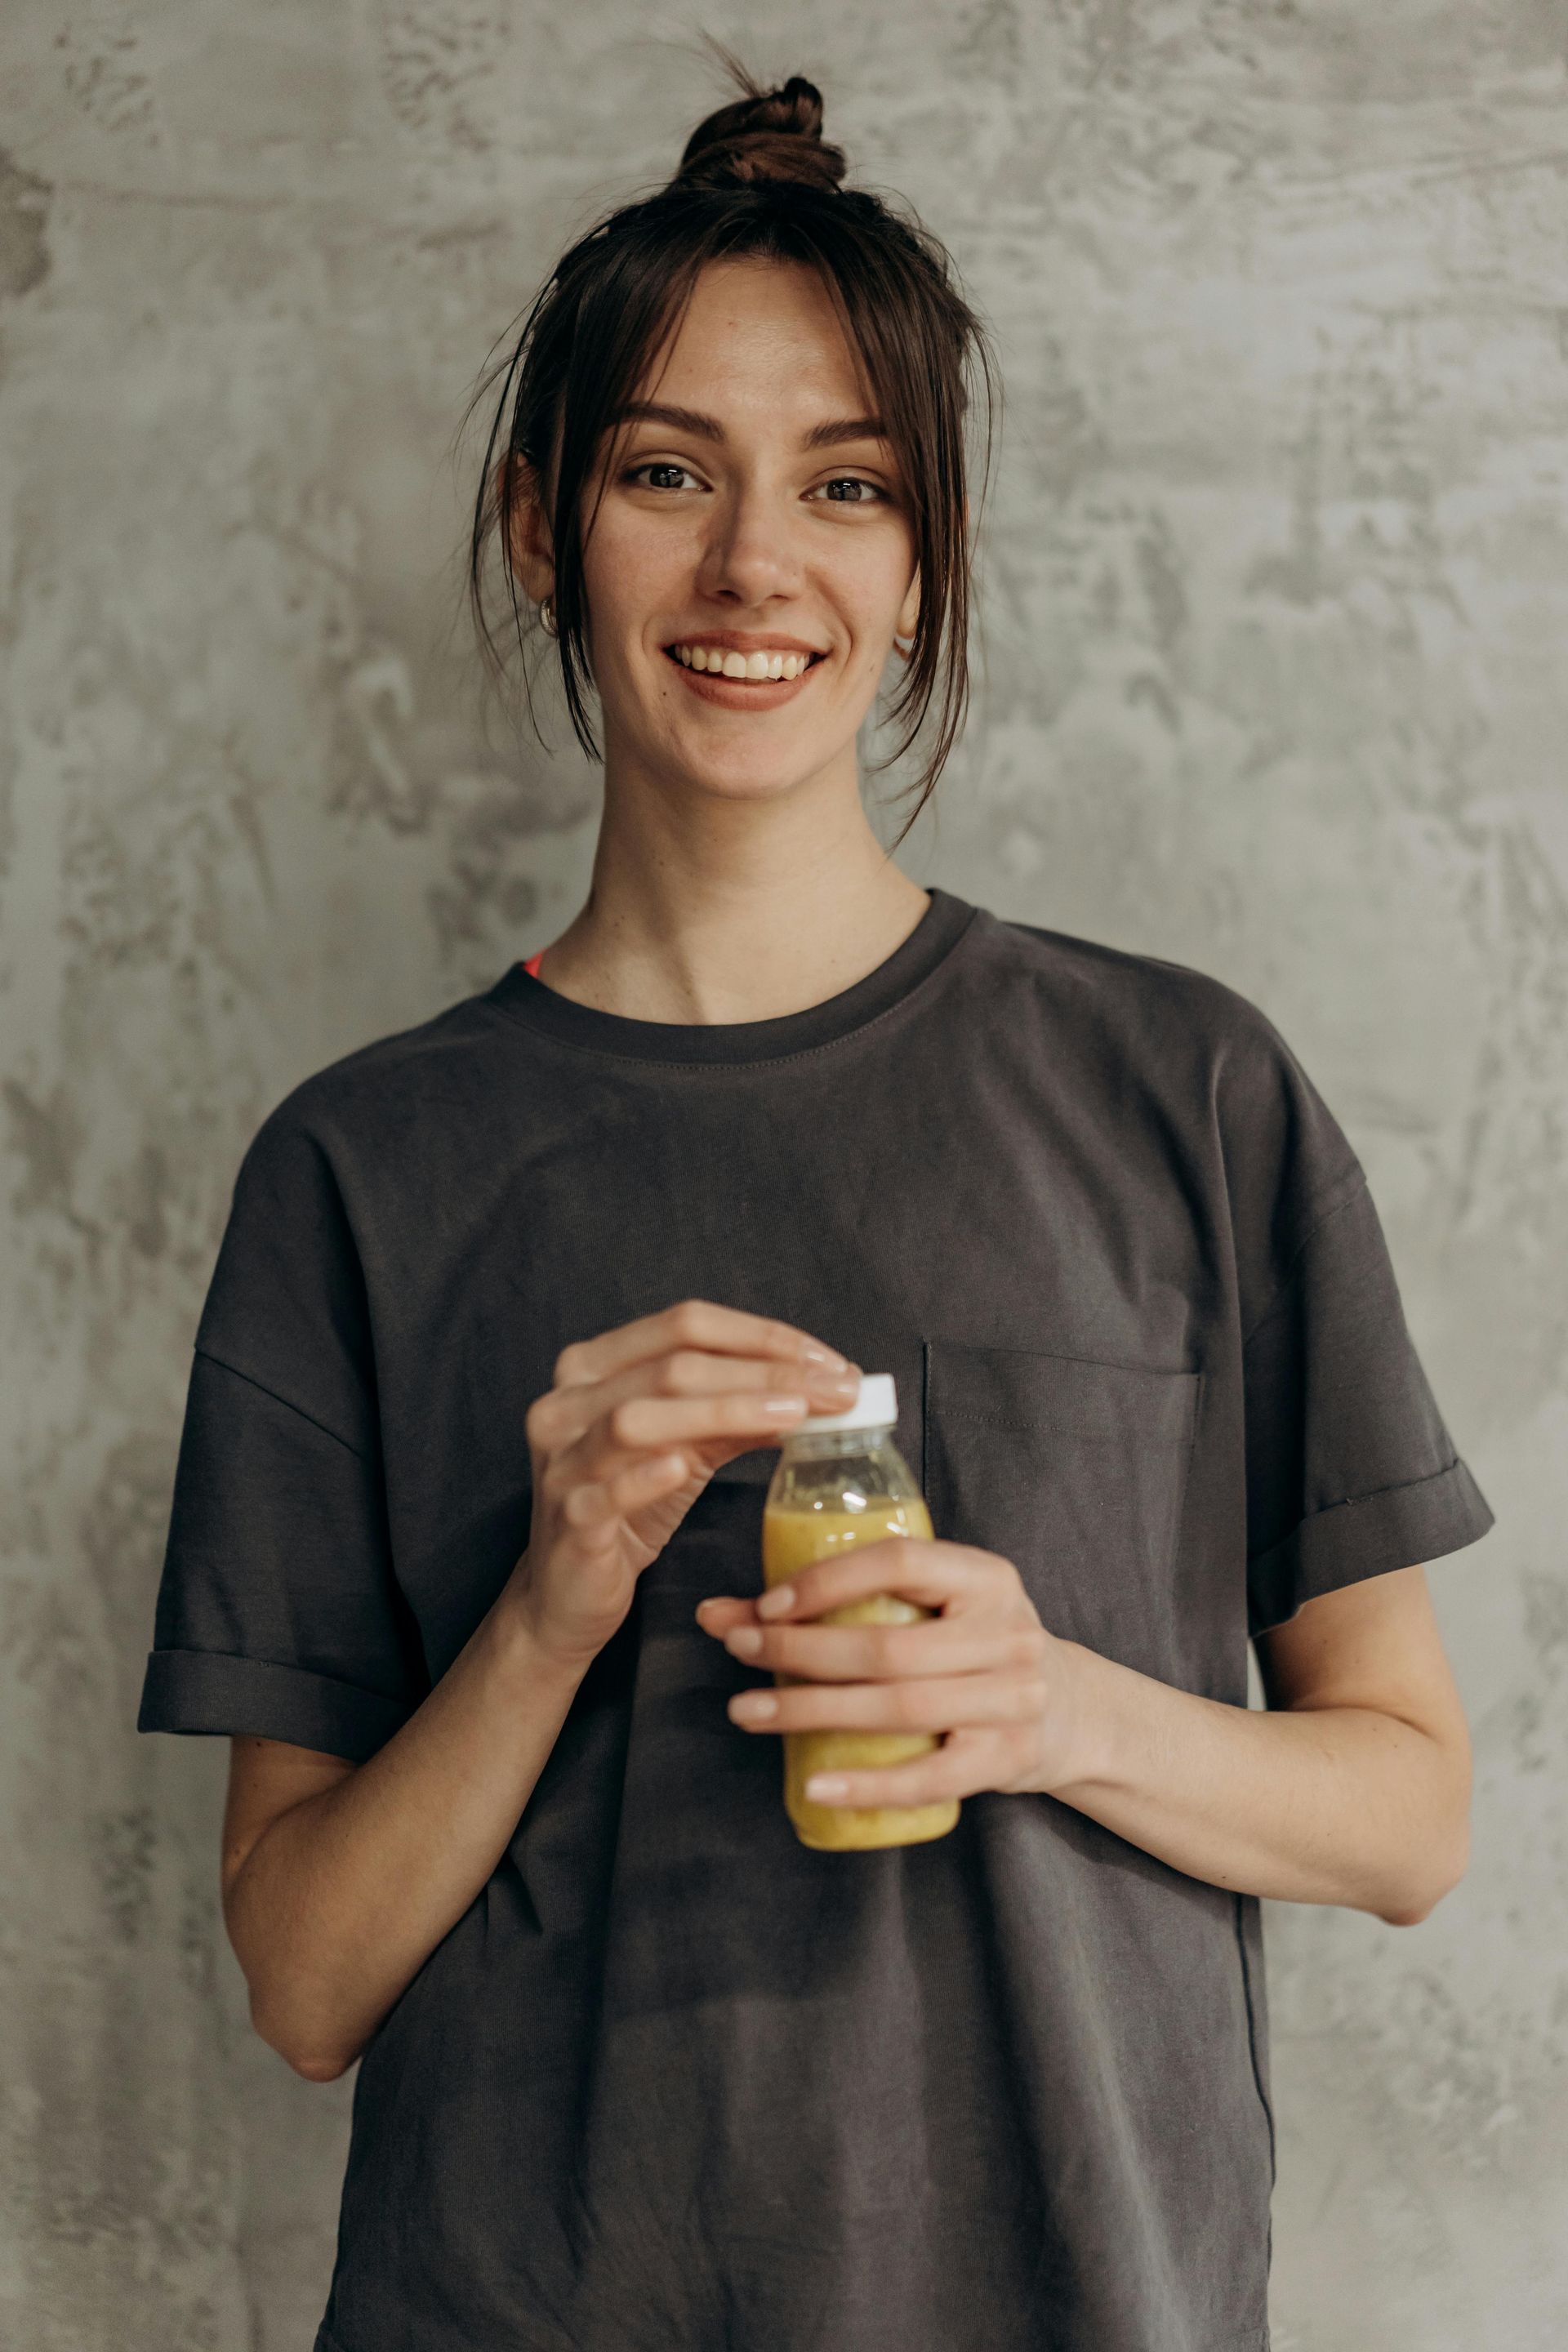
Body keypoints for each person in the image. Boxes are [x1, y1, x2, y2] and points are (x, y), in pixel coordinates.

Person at [137, 64, 1494, 2352]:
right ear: (546, 523)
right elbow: (302, 1980)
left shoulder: (1185, 1089)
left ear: (921, 557)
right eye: (670, 473)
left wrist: (1048, 1704)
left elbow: (1409, 1813)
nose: (758, 568)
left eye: (846, 489)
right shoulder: (360, 1170)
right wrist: (553, 1601)